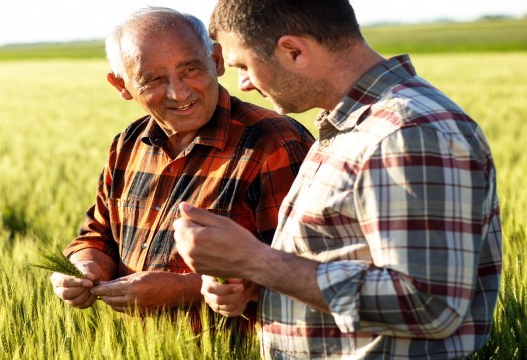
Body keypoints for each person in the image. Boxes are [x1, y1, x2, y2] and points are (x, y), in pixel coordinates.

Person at [173, 0, 502, 358]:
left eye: (244, 66)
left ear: (294, 51)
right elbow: (345, 256)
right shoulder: (350, 124)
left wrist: (258, 261)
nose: (244, 84)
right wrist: (257, 282)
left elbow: (428, 304)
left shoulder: (407, 132)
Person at [49, 5, 314, 324]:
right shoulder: (127, 144)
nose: (179, 92)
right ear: (122, 86)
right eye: (154, 79)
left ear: (216, 61)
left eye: (191, 69)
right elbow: (98, 233)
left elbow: (309, 272)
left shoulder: (274, 143)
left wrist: (184, 290)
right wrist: (85, 268)